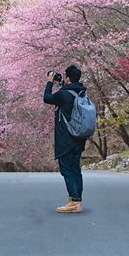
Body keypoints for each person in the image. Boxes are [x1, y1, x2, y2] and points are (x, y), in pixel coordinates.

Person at [44, 64, 87, 213]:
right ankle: (76, 200)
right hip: (79, 138)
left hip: (66, 140)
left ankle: (74, 202)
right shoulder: (81, 92)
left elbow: (47, 98)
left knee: (67, 170)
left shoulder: (63, 93)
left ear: (68, 77)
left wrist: (50, 81)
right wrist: (62, 84)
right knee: (76, 170)